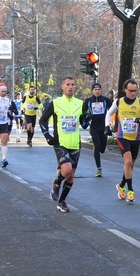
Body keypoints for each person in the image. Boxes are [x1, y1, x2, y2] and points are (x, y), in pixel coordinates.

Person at [39, 77, 90, 212]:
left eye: (73, 84)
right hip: (60, 142)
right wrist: (47, 136)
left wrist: (87, 119)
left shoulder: (80, 103)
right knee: (66, 170)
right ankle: (56, 182)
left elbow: (84, 125)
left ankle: (62, 201)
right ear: (62, 86)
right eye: (68, 84)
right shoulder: (55, 103)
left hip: (75, 143)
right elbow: (43, 120)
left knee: (71, 176)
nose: (71, 87)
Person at [104, 78, 140, 203]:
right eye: (130, 91)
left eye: (135, 91)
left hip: (135, 137)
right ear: (125, 90)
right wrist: (107, 126)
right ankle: (130, 190)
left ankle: (121, 185)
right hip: (122, 136)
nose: (133, 93)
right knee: (127, 163)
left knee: (131, 165)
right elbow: (109, 113)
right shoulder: (119, 102)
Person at [83, 83, 112, 177]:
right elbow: (83, 111)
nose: (97, 91)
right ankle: (99, 169)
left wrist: (111, 122)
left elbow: (112, 110)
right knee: (97, 146)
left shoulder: (105, 100)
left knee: (102, 149)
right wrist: (87, 116)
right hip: (94, 127)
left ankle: (100, 149)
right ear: (92, 90)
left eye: (99, 89)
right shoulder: (88, 100)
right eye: (95, 89)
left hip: (103, 126)